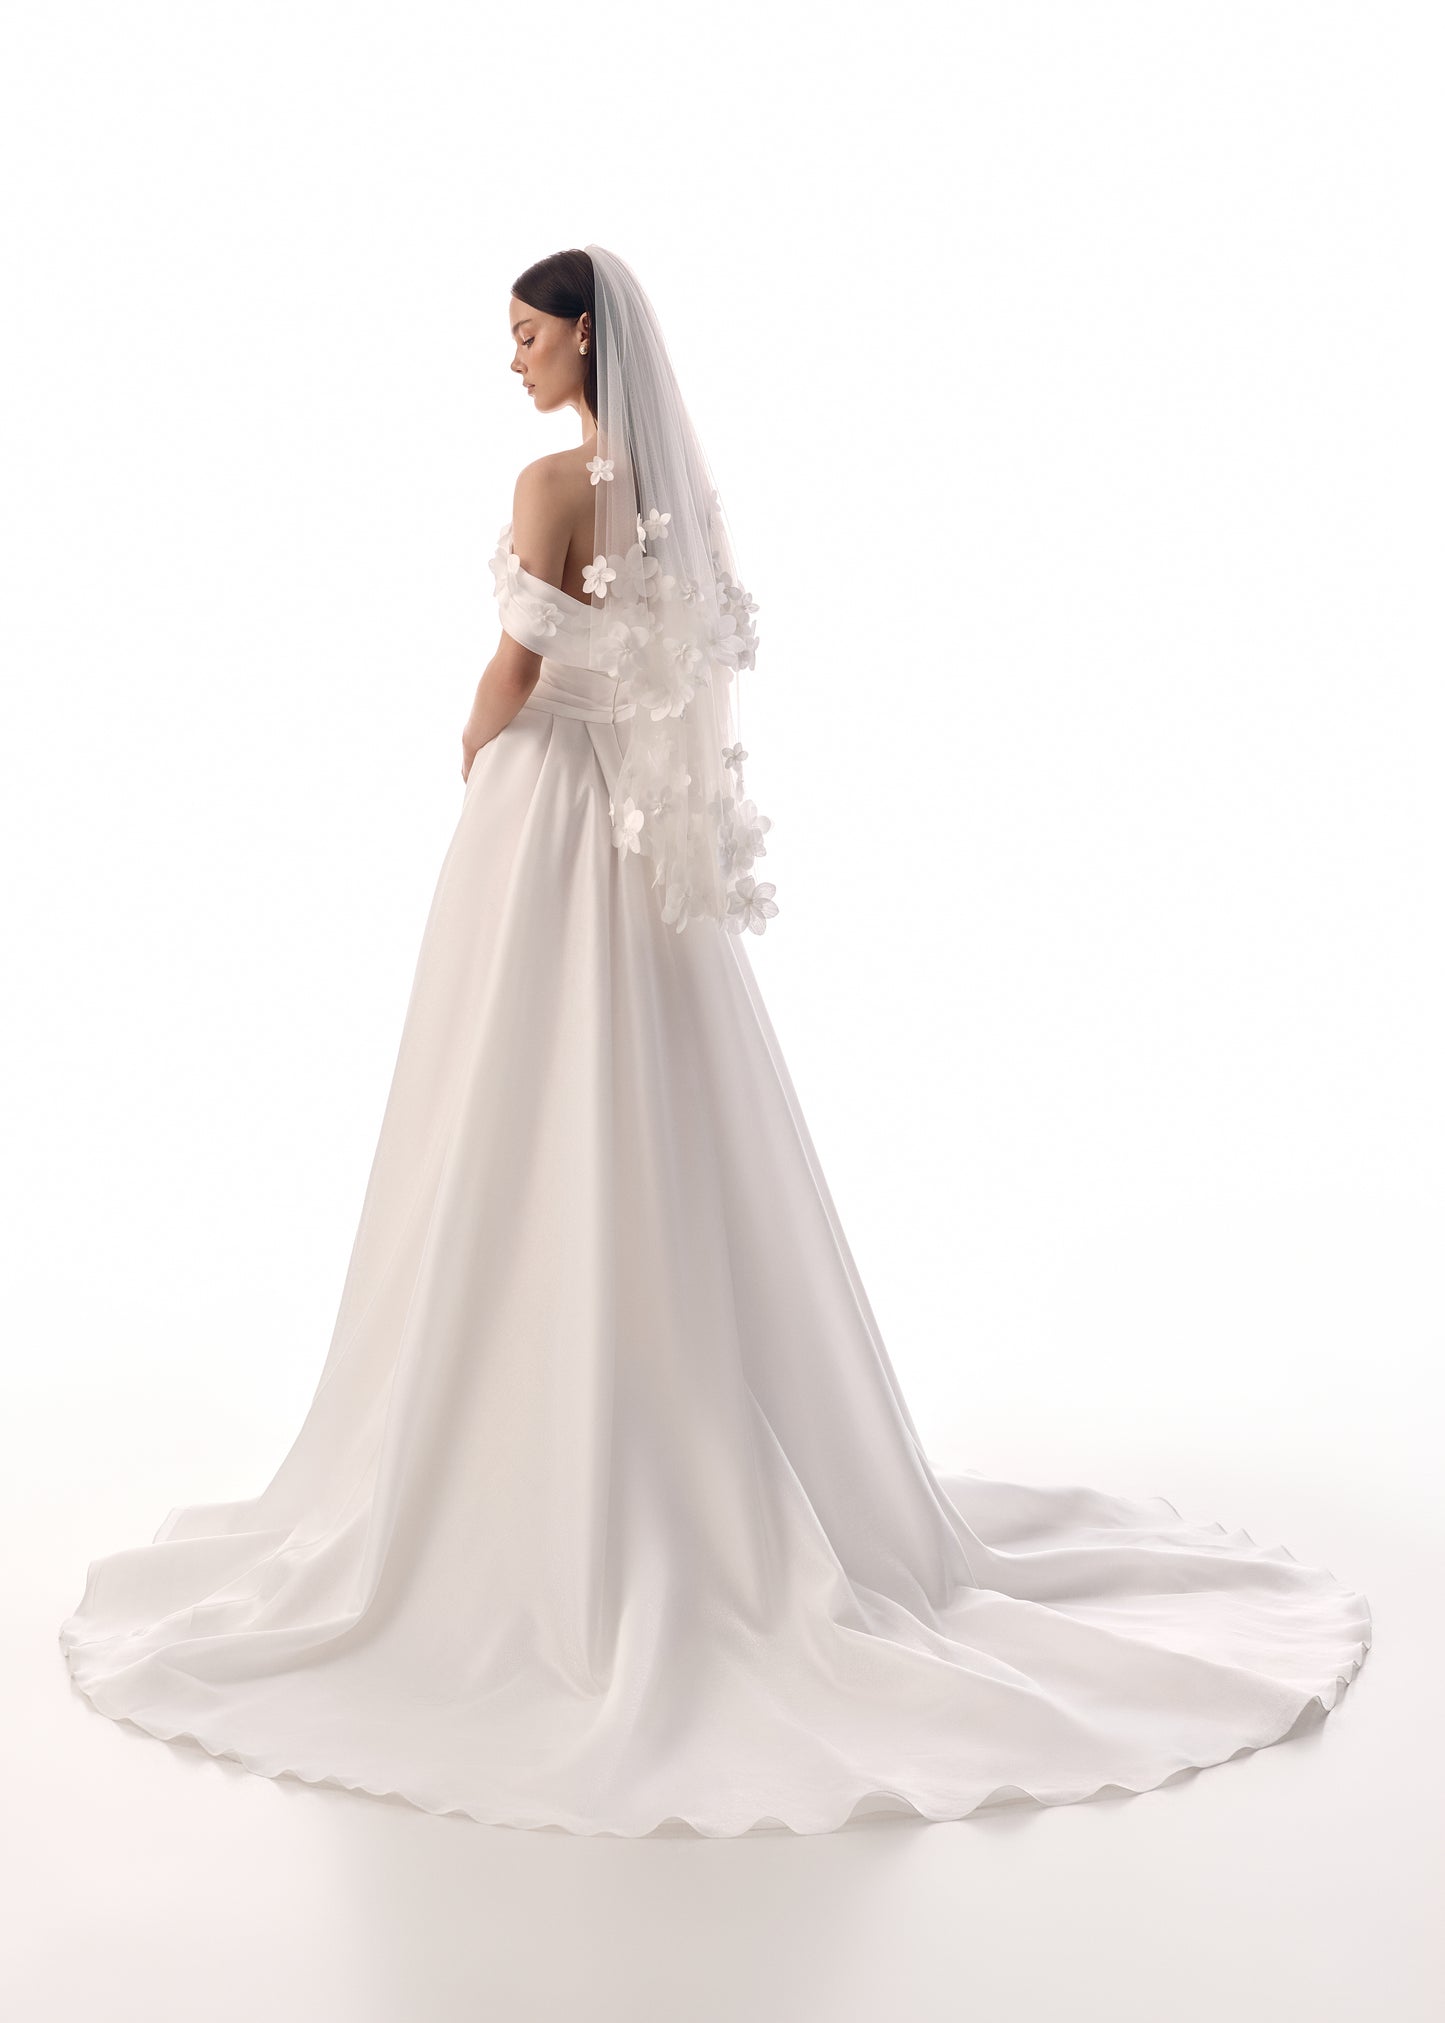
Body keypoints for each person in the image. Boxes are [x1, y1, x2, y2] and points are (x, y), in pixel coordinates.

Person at [58, 245, 1371, 1838]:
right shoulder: (678, 497)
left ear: (585, 338)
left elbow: (518, 661)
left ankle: (509, 1437)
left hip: (545, 812)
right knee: (646, 1100)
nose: (514, 360)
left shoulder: (551, 484)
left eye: (528, 334)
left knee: (509, 1099)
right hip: (633, 831)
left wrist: (472, 743)